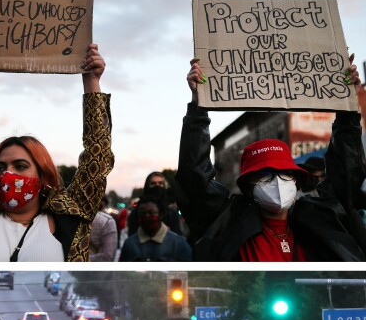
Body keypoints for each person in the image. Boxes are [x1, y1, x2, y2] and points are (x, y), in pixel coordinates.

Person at [0, 33, 113, 262]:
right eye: (0, 167)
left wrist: (91, 80)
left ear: (42, 173)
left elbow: (97, 153)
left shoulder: (71, 213)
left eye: (20, 166)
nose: (8, 173)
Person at [176, 56, 365, 261]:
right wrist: (198, 107)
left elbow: (346, 171)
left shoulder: (320, 217)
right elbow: (193, 177)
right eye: (265, 175)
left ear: (297, 180)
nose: (277, 182)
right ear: (248, 187)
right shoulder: (226, 222)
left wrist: (348, 110)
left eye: (285, 174)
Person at [120, 197, 191, 261]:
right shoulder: (129, 244)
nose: (147, 216)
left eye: (151, 213)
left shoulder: (179, 243)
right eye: (143, 213)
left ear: (161, 215)